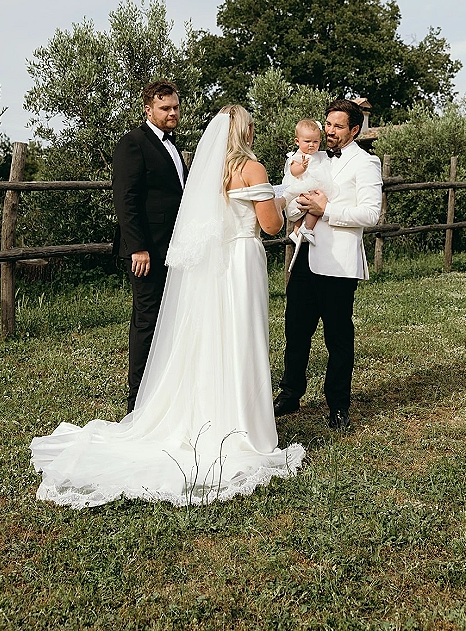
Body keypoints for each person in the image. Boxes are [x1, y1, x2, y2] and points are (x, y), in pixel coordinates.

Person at [30, 106, 305, 508]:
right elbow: (270, 226)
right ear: (245, 131)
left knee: (214, 338)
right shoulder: (253, 168)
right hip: (243, 261)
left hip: (216, 268)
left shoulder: (209, 173)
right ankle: (242, 425)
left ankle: (209, 413)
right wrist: (291, 198)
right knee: (242, 336)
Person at [274, 99, 382, 430]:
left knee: (337, 338)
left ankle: (338, 405)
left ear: (354, 129)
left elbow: (371, 214)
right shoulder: (309, 158)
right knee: (295, 329)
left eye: (337, 126)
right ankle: (290, 394)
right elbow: (290, 202)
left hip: (339, 264)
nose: (330, 131)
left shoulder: (366, 163)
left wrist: (327, 210)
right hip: (305, 255)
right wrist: (298, 207)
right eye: (328, 124)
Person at [112, 80, 187, 413]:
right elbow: (125, 200)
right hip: (148, 252)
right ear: (148, 109)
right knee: (146, 322)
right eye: (164, 108)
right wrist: (137, 247)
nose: (172, 113)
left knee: (170, 320)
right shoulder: (133, 144)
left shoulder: (174, 145)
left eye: (175, 107)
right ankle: (137, 402)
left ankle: (164, 393)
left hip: (175, 250)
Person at [281, 119, 337, 247]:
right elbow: (294, 171)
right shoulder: (297, 156)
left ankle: (300, 231)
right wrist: (303, 167)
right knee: (311, 203)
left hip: (314, 187)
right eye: (307, 141)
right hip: (301, 187)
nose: (311, 145)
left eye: (315, 141)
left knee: (316, 205)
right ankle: (305, 228)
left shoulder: (321, 155)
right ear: (297, 141)